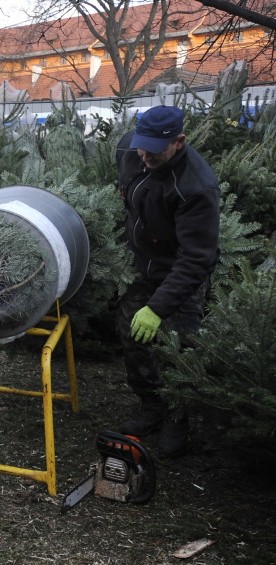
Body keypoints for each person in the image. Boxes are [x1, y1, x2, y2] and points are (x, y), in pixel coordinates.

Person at [115, 105, 220, 457]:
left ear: (179, 141)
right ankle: (151, 406)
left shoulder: (196, 187)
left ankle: (178, 418)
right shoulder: (132, 149)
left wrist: (158, 308)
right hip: (140, 266)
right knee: (132, 337)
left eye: (154, 149)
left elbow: (197, 259)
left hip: (178, 272)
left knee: (180, 350)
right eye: (142, 146)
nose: (144, 155)